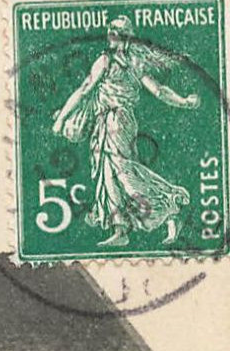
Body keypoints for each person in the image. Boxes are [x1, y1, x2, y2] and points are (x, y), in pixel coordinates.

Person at [50, 16, 200, 247]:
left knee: (119, 172)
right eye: (110, 30)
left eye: (115, 31)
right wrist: (184, 101)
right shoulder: (134, 63)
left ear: (124, 36)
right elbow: (159, 91)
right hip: (119, 122)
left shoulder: (106, 61)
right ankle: (120, 225)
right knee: (110, 171)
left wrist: (61, 119)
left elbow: (84, 90)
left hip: (114, 122)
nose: (111, 34)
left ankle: (167, 207)